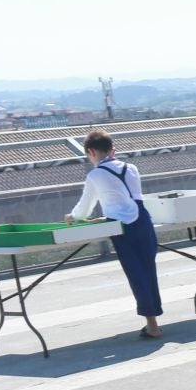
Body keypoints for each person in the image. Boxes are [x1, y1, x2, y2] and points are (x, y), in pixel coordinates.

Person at [64, 130, 164, 338]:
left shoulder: (95, 175)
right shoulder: (132, 167)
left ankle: (152, 325)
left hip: (121, 226)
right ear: (113, 150)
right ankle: (153, 321)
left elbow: (85, 209)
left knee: (135, 273)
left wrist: (72, 217)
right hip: (143, 220)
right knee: (148, 270)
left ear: (91, 152)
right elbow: (129, 197)